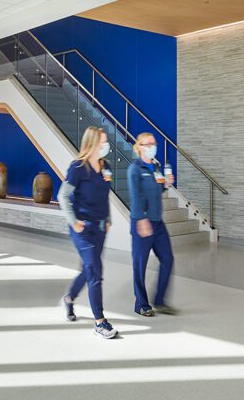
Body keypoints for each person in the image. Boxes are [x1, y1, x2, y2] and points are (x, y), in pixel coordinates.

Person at [58, 127, 118, 339]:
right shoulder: (77, 167)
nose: (106, 146)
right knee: (95, 271)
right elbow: (63, 196)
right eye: (102, 142)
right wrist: (73, 222)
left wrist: (108, 218)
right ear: (92, 143)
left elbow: (104, 196)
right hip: (82, 229)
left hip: (100, 229)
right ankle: (100, 322)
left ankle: (69, 297)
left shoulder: (106, 167)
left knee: (88, 269)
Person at [128, 132, 176, 317]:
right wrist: (141, 219)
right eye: (147, 144)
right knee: (140, 264)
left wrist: (166, 184)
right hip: (142, 222)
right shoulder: (135, 168)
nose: (151, 147)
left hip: (158, 222)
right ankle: (141, 304)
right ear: (139, 147)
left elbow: (158, 190)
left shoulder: (155, 166)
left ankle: (160, 301)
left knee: (168, 259)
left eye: (153, 143)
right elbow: (136, 196)